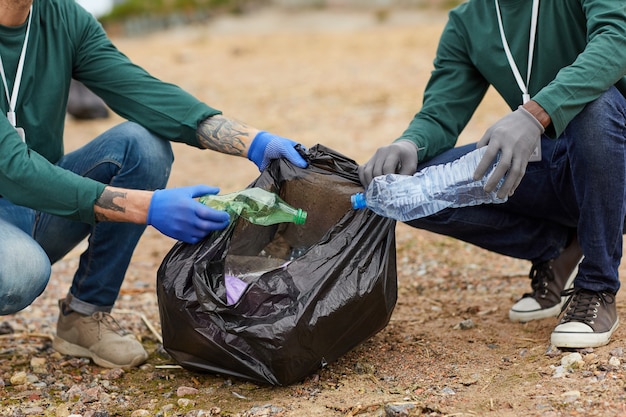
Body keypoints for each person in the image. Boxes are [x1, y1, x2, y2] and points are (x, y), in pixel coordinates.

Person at [0, 0, 308, 369]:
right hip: (15, 193)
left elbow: (138, 90)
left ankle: (85, 314)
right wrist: (149, 207)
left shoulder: (62, 16)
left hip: (36, 203)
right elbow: (13, 168)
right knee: (21, 271)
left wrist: (253, 141)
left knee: (141, 146)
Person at [359, 0, 626, 349]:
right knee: (417, 186)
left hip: (614, 153)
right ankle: (558, 247)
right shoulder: (468, 20)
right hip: (558, 162)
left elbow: (616, 40)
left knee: (595, 102)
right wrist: (410, 143)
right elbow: (441, 112)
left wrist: (536, 113)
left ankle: (597, 285)